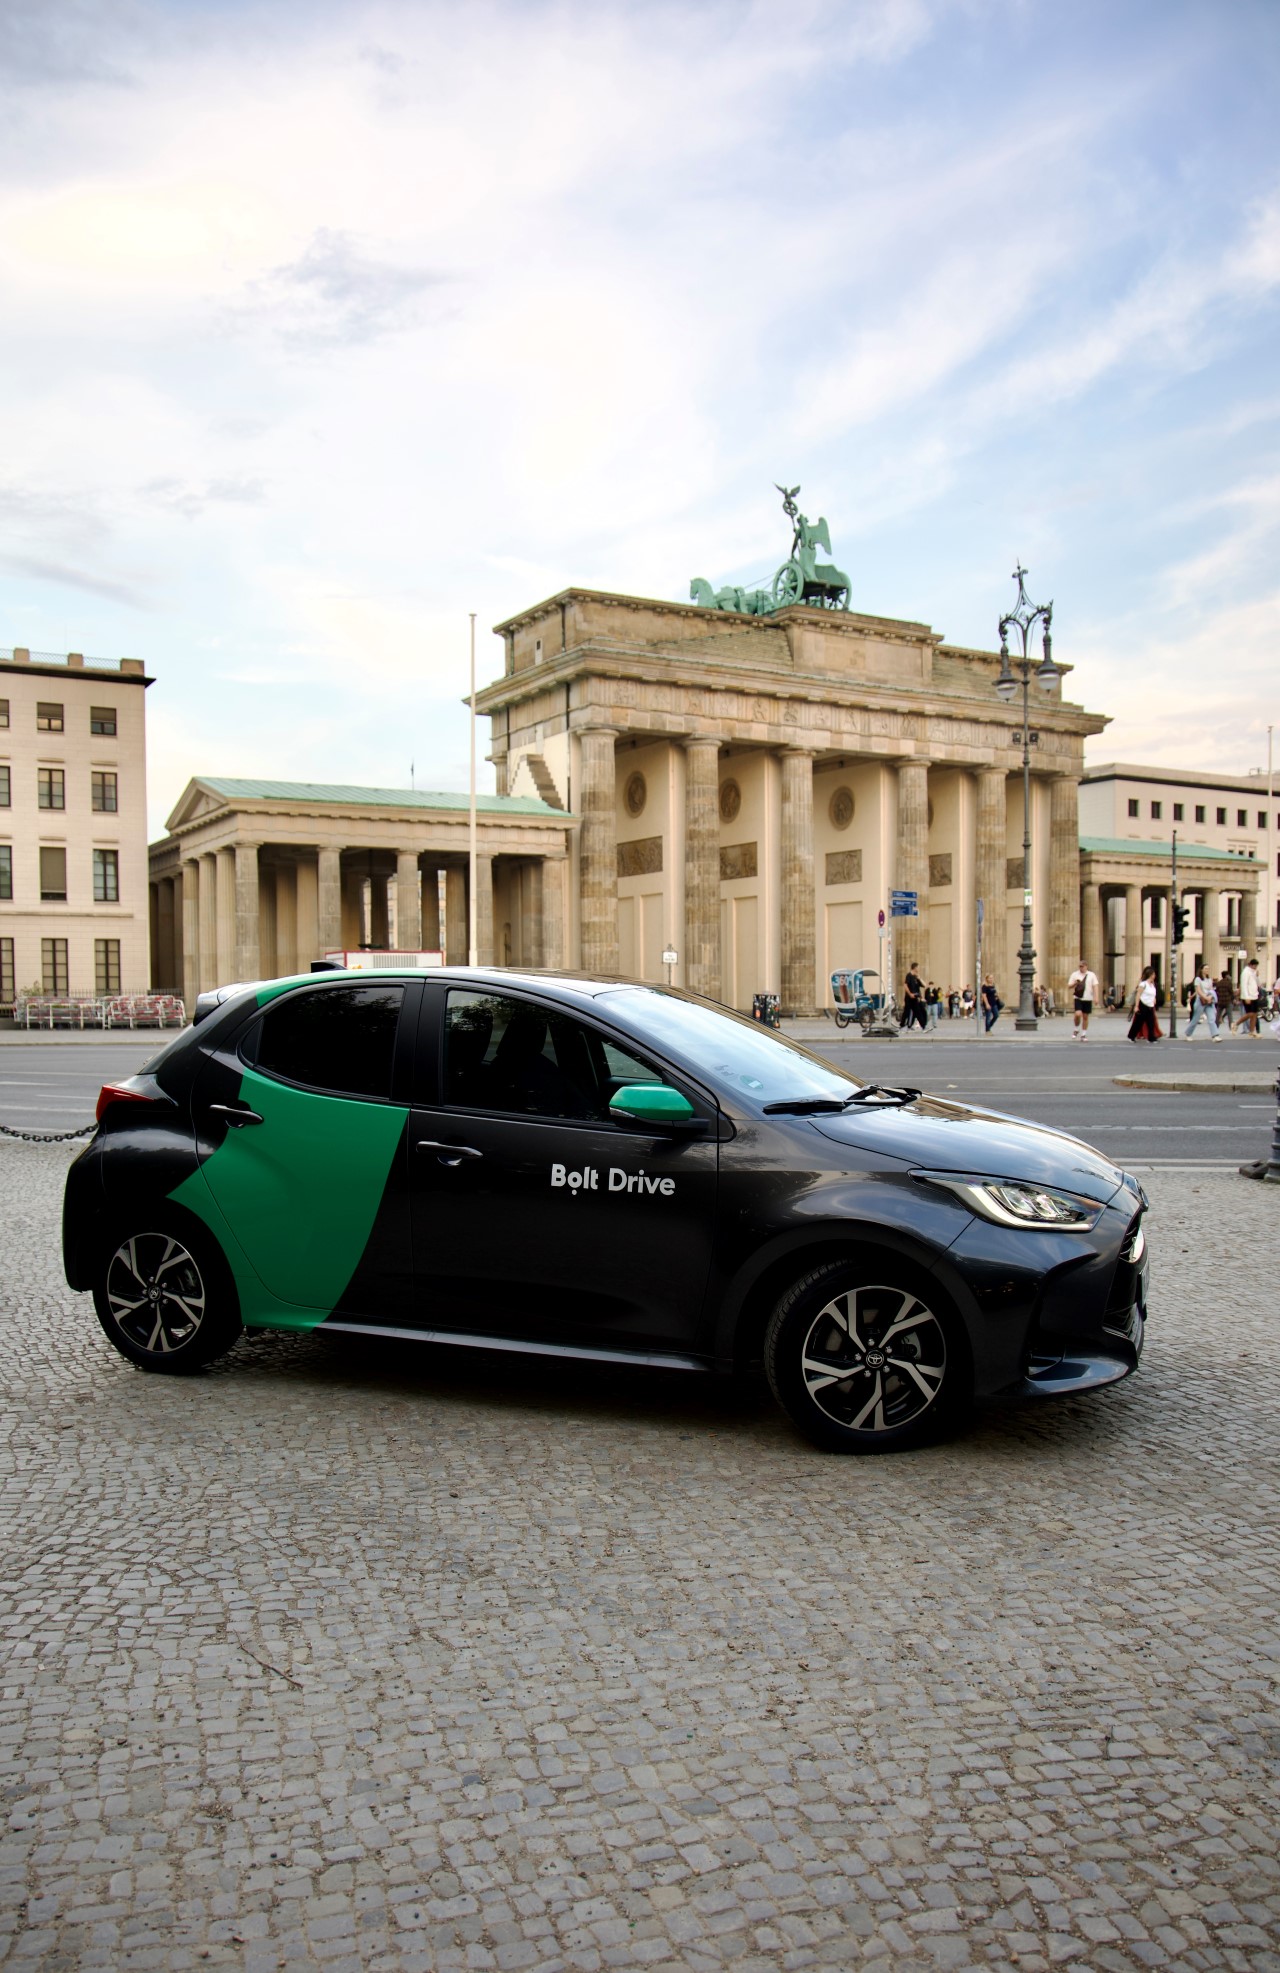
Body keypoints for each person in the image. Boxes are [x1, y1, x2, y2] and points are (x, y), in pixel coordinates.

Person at [1185, 965, 1221, 1041]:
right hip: (1200, 1000)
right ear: (1201, 970)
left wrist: (1210, 997)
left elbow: (1211, 989)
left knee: (1211, 1018)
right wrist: (1205, 997)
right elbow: (1198, 990)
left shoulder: (1209, 979)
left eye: (1208, 968)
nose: (1207, 970)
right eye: (1205, 968)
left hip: (1209, 1000)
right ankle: (1188, 1034)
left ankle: (1215, 1035)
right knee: (1196, 1018)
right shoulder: (1198, 979)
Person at [1066, 959, 1099, 1040]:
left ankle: (1083, 1034)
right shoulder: (1075, 974)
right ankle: (1076, 1029)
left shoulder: (1091, 975)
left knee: (1085, 1016)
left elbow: (1095, 986)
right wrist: (1075, 983)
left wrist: (1096, 997)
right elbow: (1069, 986)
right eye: (1080, 966)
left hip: (1088, 998)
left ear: (1086, 966)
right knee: (1078, 1014)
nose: (1081, 968)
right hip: (1078, 997)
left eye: (1082, 966)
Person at [1128, 966, 1160, 1043]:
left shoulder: (1152, 985)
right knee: (1138, 1022)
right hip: (1143, 1005)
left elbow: (1153, 994)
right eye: (1153, 974)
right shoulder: (1143, 984)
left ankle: (1151, 1038)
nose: (1155, 976)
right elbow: (1138, 995)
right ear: (1150, 975)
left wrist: (1154, 999)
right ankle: (1131, 1036)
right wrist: (1136, 1006)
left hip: (1150, 1005)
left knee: (1151, 1023)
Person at [1238, 956, 1261, 1036]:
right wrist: (1246, 996)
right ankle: (1236, 1024)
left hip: (1254, 995)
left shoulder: (1254, 972)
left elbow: (1258, 984)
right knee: (1250, 1013)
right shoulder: (1246, 972)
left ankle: (1252, 1031)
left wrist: (1257, 976)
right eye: (1254, 966)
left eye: (1256, 966)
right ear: (1250, 965)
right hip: (1248, 996)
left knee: (1254, 1014)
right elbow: (1244, 985)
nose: (1255, 967)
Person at [902, 962, 927, 1032]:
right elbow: (905, 985)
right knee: (907, 1012)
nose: (919, 969)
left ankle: (923, 1026)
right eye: (918, 967)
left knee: (918, 1012)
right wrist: (910, 994)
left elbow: (924, 985)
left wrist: (920, 978)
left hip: (916, 997)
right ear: (915, 968)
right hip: (909, 998)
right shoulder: (909, 975)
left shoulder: (916, 977)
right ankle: (904, 1026)